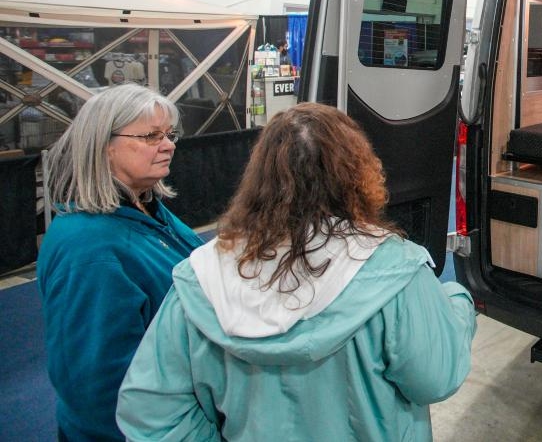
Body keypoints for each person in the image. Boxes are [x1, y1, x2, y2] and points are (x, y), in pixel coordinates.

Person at [117, 103, 477, 442]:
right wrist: (457, 301)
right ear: (357, 173)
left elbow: (151, 413)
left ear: (258, 175)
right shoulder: (398, 271)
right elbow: (435, 379)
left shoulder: (200, 279)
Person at [36, 84, 203, 442]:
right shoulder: (88, 251)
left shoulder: (146, 208)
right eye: (150, 136)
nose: (169, 144)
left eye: (169, 134)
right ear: (104, 148)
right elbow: (95, 388)